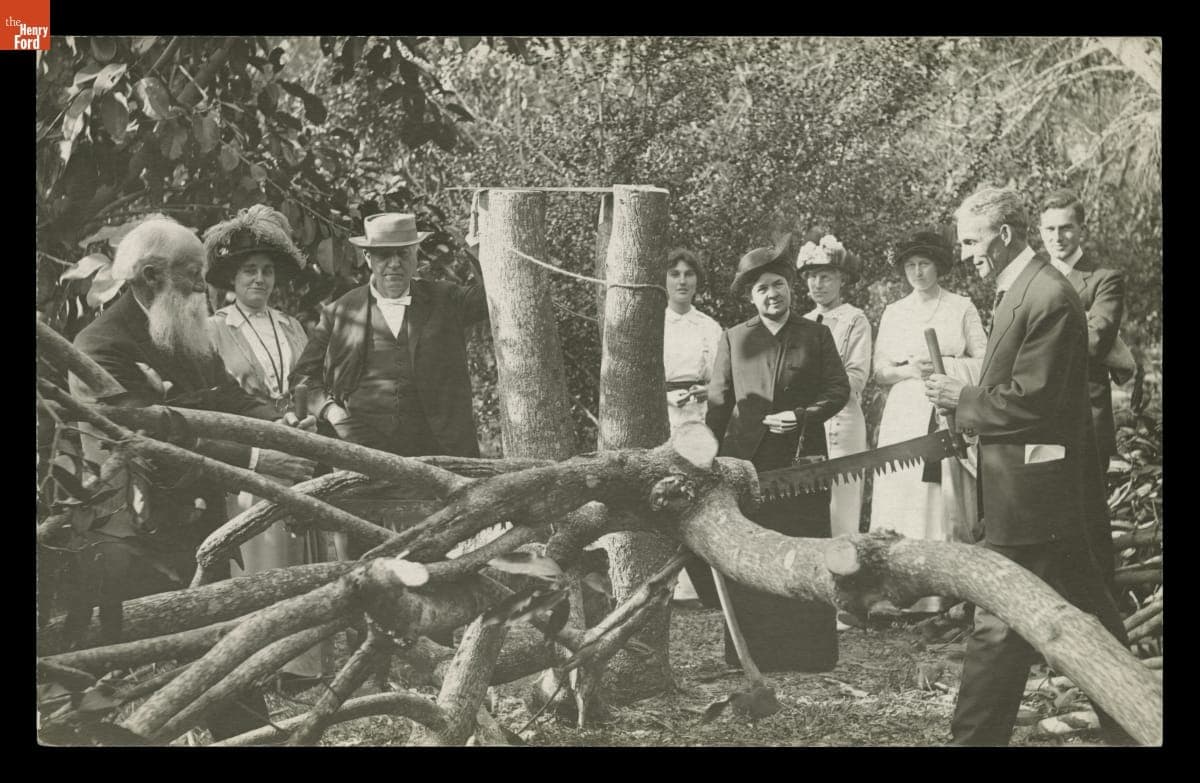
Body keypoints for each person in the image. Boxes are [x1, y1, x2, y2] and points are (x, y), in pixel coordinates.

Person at [70, 216, 314, 740]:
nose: (201, 287)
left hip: (197, 526)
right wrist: (253, 458)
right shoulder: (101, 345)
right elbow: (150, 445)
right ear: (148, 275)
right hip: (136, 538)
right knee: (146, 678)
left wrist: (280, 426)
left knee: (221, 649)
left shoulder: (178, 323)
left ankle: (244, 735)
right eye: (189, 275)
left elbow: (224, 396)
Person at [924, 186, 1129, 746]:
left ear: (1005, 234)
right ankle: (1137, 726)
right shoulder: (1022, 288)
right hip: (1035, 490)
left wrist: (961, 400)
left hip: (1033, 495)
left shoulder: (1046, 295)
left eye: (972, 241)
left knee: (997, 625)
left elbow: (1032, 400)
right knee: (1091, 618)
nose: (965, 254)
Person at [290, 212, 488, 560]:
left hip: (436, 454)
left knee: (436, 556)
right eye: (383, 255)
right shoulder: (339, 312)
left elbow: (492, 296)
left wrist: (476, 250)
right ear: (368, 258)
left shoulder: (446, 299)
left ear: (416, 255)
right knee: (363, 557)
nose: (393, 265)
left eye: (403, 254)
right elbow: (304, 378)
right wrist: (331, 411)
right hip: (362, 457)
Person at [706, 237, 850, 672]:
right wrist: (709, 464)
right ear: (752, 297)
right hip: (747, 466)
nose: (772, 294)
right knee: (751, 557)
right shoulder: (734, 338)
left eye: (778, 285)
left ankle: (809, 654)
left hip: (803, 461)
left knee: (805, 552)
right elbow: (718, 404)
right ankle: (752, 654)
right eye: (762, 289)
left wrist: (803, 416)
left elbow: (838, 391)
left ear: (790, 287)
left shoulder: (816, 333)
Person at [203, 205, 330, 689]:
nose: (259, 279)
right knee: (260, 552)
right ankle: (258, 667)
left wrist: (307, 415)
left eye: (267, 271)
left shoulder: (291, 326)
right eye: (249, 271)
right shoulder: (216, 328)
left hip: (297, 447)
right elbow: (216, 397)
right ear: (231, 279)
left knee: (301, 551)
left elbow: (308, 378)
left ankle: (300, 667)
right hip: (250, 454)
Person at [870, 229, 986, 585]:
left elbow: (985, 361)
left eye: (924, 264)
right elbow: (880, 371)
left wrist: (947, 367)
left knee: (941, 491)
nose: (918, 272)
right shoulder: (895, 311)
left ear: (938, 267)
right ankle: (898, 580)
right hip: (905, 410)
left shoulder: (960, 306)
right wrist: (908, 370)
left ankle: (944, 586)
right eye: (910, 266)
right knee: (905, 489)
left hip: (945, 405)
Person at [1038, 189, 1127, 468]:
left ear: (1081, 230)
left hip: (1087, 414)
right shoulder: (1031, 278)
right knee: (1047, 505)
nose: (1057, 237)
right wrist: (1079, 322)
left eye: (1066, 228)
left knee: (1090, 510)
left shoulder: (1105, 279)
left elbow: (1095, 342)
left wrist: (1041, 332)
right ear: (1040, 232)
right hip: (1040, 412)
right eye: (1050, 229)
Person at [797, 233, 871, 540]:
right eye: (812, 277)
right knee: (805, 500)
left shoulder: (854, 320)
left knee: (842, 499)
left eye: (825, 277)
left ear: (841, 280)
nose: (818, 285)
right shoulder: (799, 322)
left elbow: (857, 376)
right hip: (804, 422)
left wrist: (819, 385)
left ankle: (845, 572)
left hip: (842, 419)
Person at [662, 248, 723, 609]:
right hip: (664, 414)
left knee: (697, 492)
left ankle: (701, 582)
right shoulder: (655, 324)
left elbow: (723, 377)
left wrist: (708, 389)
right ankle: (670, 582)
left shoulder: (709, 326)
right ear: (665, 281)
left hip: (699, 415)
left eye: (688, 274)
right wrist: (667, 398)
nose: (682, 281)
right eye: (675, 274)